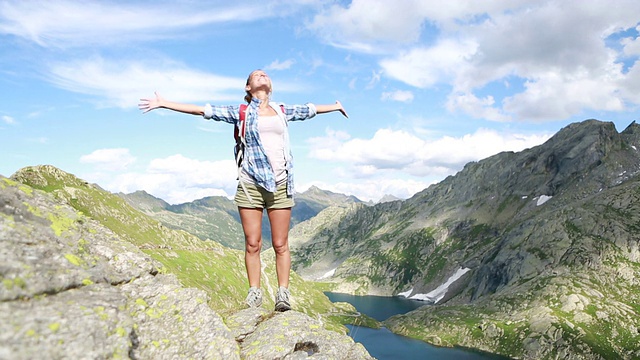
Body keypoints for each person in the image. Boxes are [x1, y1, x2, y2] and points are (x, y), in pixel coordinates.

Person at [139, 69, 348, 311]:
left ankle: (283, 294)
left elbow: (309, 110)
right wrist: (163, 103)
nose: (262, 75)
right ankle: (254, 293)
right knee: (253, 244)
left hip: (281, 185)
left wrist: (335, 106)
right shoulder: (241, 112)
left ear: (270, 85)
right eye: (256, 75)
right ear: (248, 88)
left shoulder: (282, 111)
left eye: (265, 75)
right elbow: (201, 110)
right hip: (250, 185)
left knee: (281, 244)